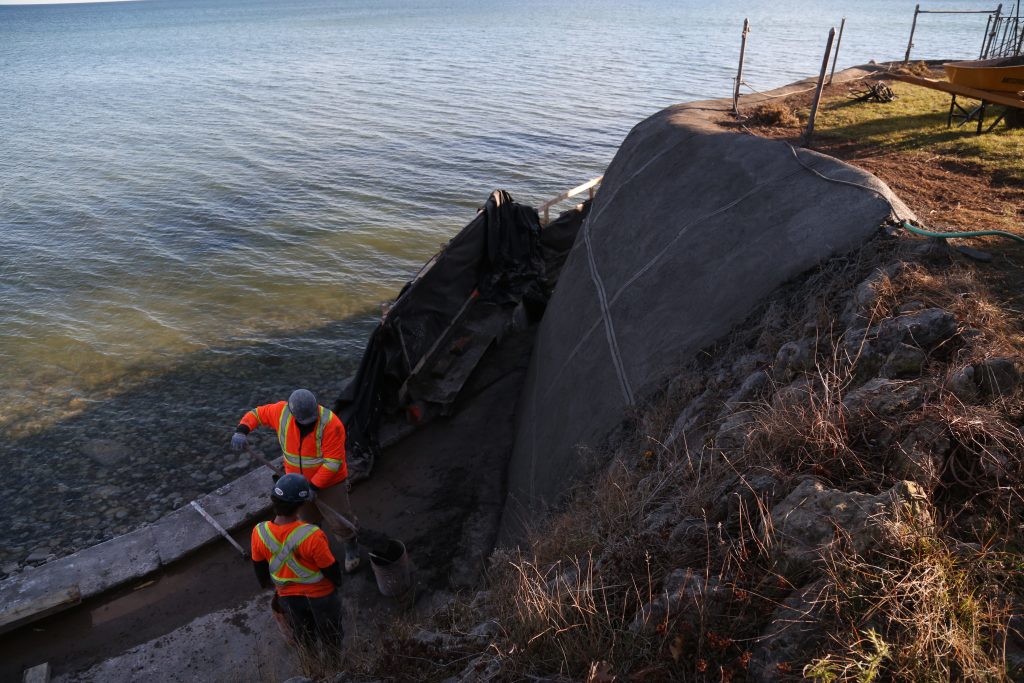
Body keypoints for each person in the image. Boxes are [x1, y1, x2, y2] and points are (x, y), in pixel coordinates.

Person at [232, 388, 361, 572]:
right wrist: (242, 430)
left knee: (339, 518)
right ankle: (317, 547)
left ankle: (350, 546)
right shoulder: (281, 413)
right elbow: (257, 414)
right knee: (307, 520)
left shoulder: (331, 424)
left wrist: (314, 486)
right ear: (292, 413)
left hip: (330, 482)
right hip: (298, 482)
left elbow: (333, 463)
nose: (310, 423)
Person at [251, 473, 344, 650]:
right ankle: (335, 665)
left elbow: (260, 571)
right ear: (301, 504)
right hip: (321, 596)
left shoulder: (258, 532)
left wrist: (273, 588)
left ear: (274, 499)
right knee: (331, 635)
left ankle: (312, 666)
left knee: (304, 636)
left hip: (288, 597)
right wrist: (337, 583)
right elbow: (330, 569)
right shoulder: (312, 535)